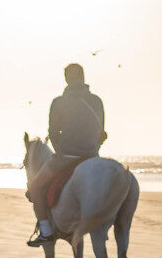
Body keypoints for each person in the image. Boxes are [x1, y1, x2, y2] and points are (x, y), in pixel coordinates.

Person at [27, 63, 106, 244]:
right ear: (83, 77)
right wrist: (93, 148)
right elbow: (102, 133)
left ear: (66, 79)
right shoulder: (97, 101)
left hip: (67, 155)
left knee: (36, 188)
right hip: (93, 156)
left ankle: (46, 232)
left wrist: (61, 152)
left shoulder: (59, 102)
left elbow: (53, 133)